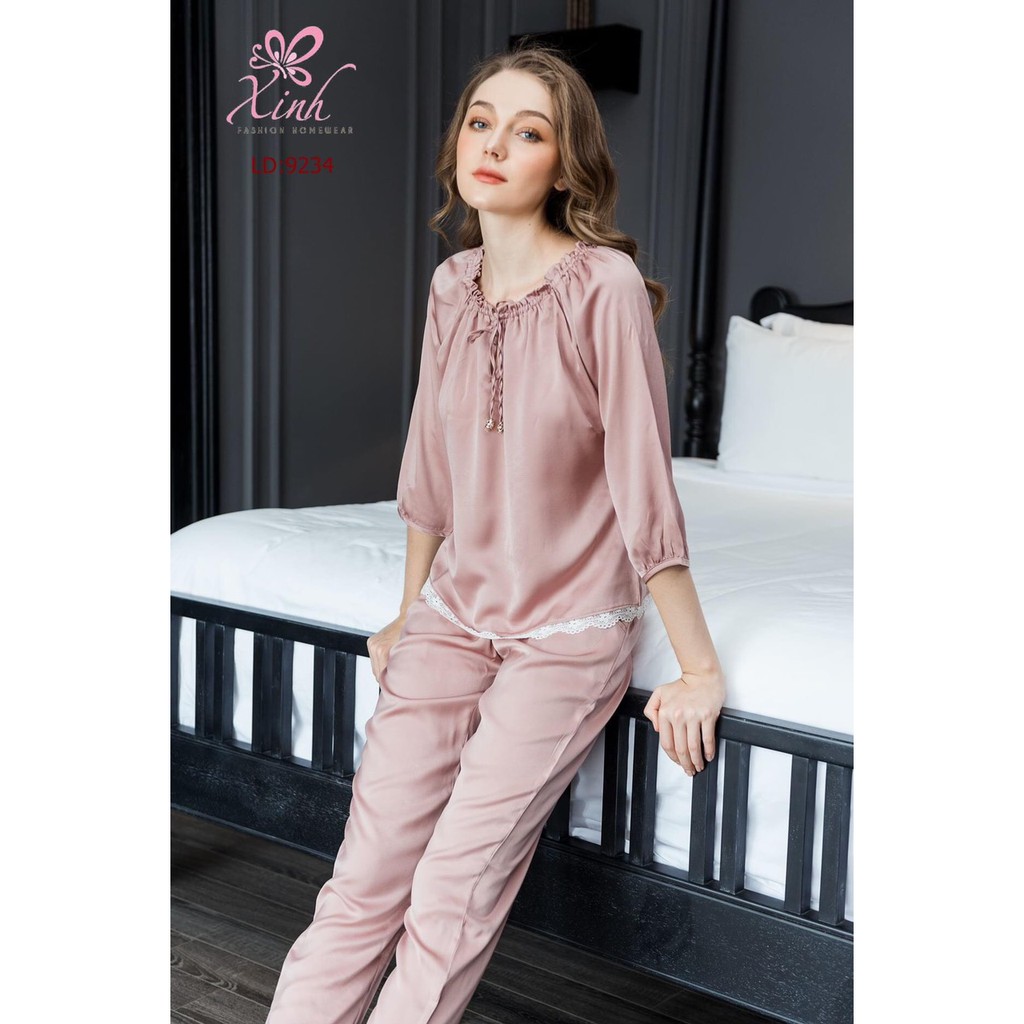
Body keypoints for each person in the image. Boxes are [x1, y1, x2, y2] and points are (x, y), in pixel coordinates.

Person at [265, 42, 726, 1024]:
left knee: (450, 891)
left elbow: (644, 488)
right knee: (363, 882)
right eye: (481, 123)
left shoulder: (602, 286)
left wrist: (697, 667)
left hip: (566, 635)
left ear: (563, 167)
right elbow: (430, 470)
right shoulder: (451, 285)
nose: (494, 145)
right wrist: (407, 613)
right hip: (452, 616)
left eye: (528, 133)